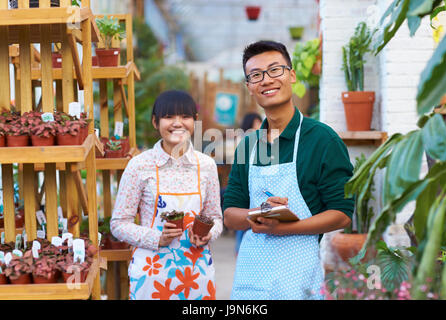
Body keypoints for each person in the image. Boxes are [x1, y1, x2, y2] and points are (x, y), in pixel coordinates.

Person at [223, 40, 354, 300]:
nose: (266, 80)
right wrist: (259, 213)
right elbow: (229, 215)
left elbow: (341, 214)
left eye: (275, 70)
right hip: (252, 280)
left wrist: (281, 227)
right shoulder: (248, 144)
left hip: (299, 280)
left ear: (291, 75)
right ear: (249, 86)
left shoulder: (321, 139)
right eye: (256, 75)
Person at [111, 90, 223, 300]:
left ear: (195, 121)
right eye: (169, 116)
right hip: (152, 276)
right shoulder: (139, 165)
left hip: (196, 273)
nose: (177, 123)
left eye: (185, 117)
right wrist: (157, 238)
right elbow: (118, 223)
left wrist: (209, 234)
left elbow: (215, 217)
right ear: (155, 122)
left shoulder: (206, 166)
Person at [234, 112, 262, 255]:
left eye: (259, 125)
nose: (257, 129)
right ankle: (239, 248)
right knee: (243, 218)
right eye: (254, 126)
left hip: (257, 186)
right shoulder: (244, 142)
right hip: (245, 186)